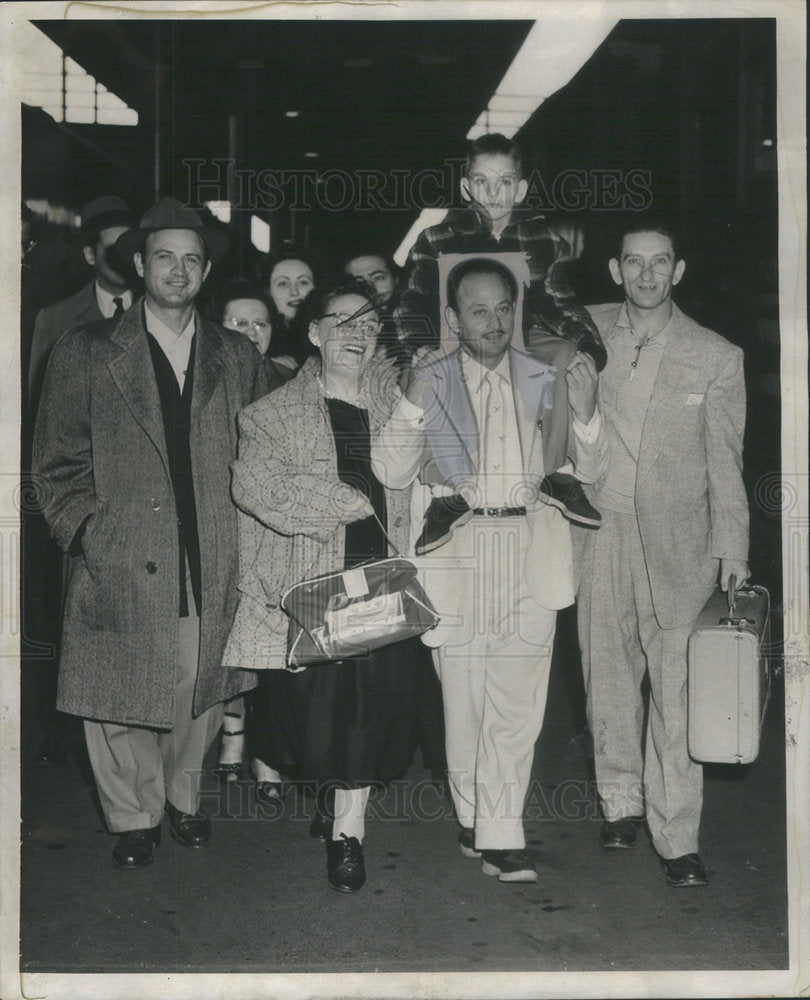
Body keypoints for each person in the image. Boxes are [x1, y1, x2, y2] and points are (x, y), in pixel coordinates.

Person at [32, 197, 267, 870]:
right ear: (138, 264)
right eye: (164, 256)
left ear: (205, 272)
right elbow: (54, 462)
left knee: (197, 680)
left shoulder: (236, 355)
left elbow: (262, 446)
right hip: (120, 549)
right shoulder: (84, 351)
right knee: (115, 688)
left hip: (209, 548)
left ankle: (183, 795)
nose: (178, 270)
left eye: (192, 259)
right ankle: (134, 815)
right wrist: (86, 530)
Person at [372, 257, 606, 883]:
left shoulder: (545, 374)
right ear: (452, 317)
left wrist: (586, 414)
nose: (495, 322)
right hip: (458, 548)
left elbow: (590, 471)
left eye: (505, 308)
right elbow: (390, 472)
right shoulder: (429, 378)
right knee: (464, 701)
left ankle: (503, 833)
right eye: (479, 310)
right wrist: (414, 403)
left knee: (518, 704)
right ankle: (475, 818)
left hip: (531, 543)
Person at [224, 275, 417, 893]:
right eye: (343, 322)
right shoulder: (272, 414)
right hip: (313, 592)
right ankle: (334, 798)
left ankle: (348, 836)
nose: (357, 335)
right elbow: (257, 490)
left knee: (365, 714)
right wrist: (348, 500)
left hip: (382, 585)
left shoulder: (397, 402)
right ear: (314, 332)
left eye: (369, 324)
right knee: (315, 722)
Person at [578, 221, 749, 888]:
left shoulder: (715, 355)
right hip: (599, 529)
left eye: (661, 262)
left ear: (678, 271)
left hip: (681, 543)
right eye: (633, 262)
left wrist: (733, 546)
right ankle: (620, 802)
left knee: (676, 687)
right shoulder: (583, 328)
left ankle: (677, 836)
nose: (647, 274)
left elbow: (727, 464)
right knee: (608, 676)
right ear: (616, 270)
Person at [402, 132, 607, 529]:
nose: (493, 193)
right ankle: (445, 493)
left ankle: (554, 473)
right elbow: (411, 303)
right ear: (466, 187)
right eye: (481, 182)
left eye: (505, 182)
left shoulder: (546, 240)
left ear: (521, 188)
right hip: (457, 337)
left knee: (566, 355)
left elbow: (561, 303)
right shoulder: (436, 239)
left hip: (524, 335)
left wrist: (590, 348)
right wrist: (418, 347)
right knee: (431, 367)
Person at [210, 278, 297, 797]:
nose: (248, 332)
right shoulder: (199, 382)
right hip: (218, 529)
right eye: (236, 322)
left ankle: (266, 752)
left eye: (259, 323)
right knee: (226, 642)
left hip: (272, 536)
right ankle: (230, 738)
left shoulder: (291, 382)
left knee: (268, 646)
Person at [28, 195, 135, 416]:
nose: (123, 260)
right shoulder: (54, 319)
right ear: (90, 255)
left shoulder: (159, 311)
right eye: (113, 251)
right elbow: (40, 410)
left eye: (128, 249)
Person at [256, 243, 319, 365]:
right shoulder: (258, 336)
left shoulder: (328, 334)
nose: (294, 292)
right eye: (283, 283)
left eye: (303, 282)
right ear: (268, 291)